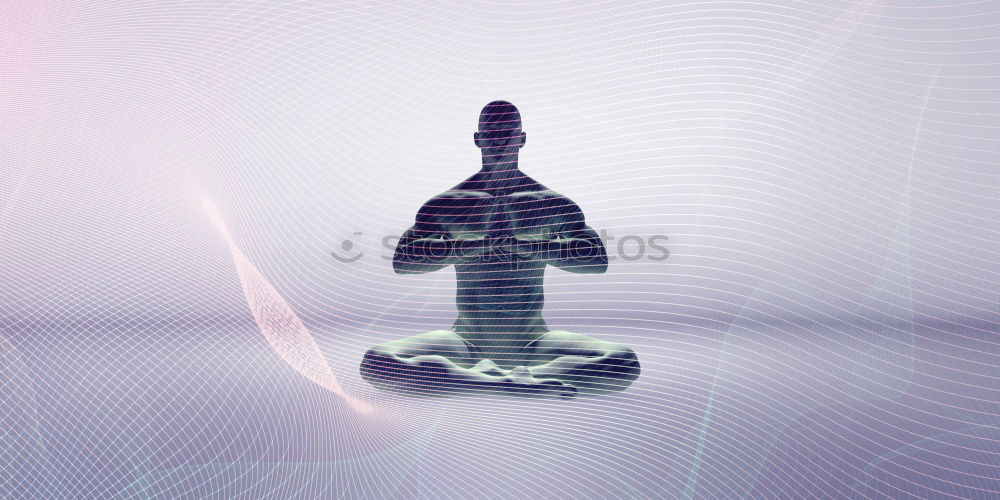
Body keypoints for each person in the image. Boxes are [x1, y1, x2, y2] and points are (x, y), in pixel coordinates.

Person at [360, 101, 639, 399]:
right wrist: (476, 246)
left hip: (533, 340)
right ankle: (501, 384)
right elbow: (403, 263)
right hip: (465, 341)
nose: (500, 139)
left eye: (508, 132)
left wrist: (527, 246)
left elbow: (596, 261)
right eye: (492, 132)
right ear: (478, 138)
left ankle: (506, 380)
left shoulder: (553, 205)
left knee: (623, 361)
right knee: (376, 361)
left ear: (522, 139)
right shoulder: (446, 205)